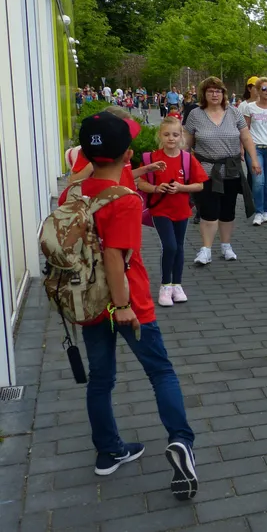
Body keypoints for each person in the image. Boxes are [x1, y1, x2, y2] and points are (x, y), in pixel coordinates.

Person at [60, 111, 198, 500]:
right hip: (128, 301)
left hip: (87, 298)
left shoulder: (72, 193)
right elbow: (114, 256)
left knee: (101, 378)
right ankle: (181, 441)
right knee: (161, 372)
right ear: (127, 154)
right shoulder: (124, 199)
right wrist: (122, 306)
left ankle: (109, 450)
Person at [184, 76, 261, 265]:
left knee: (228, 210)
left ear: (223, 94)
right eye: (210, 91)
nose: (214, 94)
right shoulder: (195, 114)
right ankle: (206, 249)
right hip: (205, 170)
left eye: (218, 91)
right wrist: (180, 163)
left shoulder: (233, 112)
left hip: (230, 169)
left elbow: (246, 137)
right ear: (204, 94)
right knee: (208, 210)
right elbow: (186, 142)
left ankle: (226, 246)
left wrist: (254, 160)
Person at [135, 117, 209, 307]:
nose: (171, 138)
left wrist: (181, 188)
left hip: (181, 210)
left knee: (179, 247)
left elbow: (200, 185)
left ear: (181, 136)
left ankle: (177, 284)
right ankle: (165, 285)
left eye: (175, 135)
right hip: (160, 210)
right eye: (167, 134)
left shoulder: (187, 159)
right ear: (160, 135)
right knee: (170, 246)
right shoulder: (151, 158)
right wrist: (156, 188)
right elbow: (141, 183)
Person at [69, 106, 165, 187]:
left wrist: (146, 169)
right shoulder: (93, 151)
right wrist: (95, 163)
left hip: (125, 196)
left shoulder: (121, 150)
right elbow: (72, 181)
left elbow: (126, 176)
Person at [242, 77, 267, 226]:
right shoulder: (250, 107)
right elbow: (245, 129)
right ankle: (258, 212)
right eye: (264, 89)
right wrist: (242, 148)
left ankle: (266, 211)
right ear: (258, 91)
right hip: (255, 148)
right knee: (258, 182)